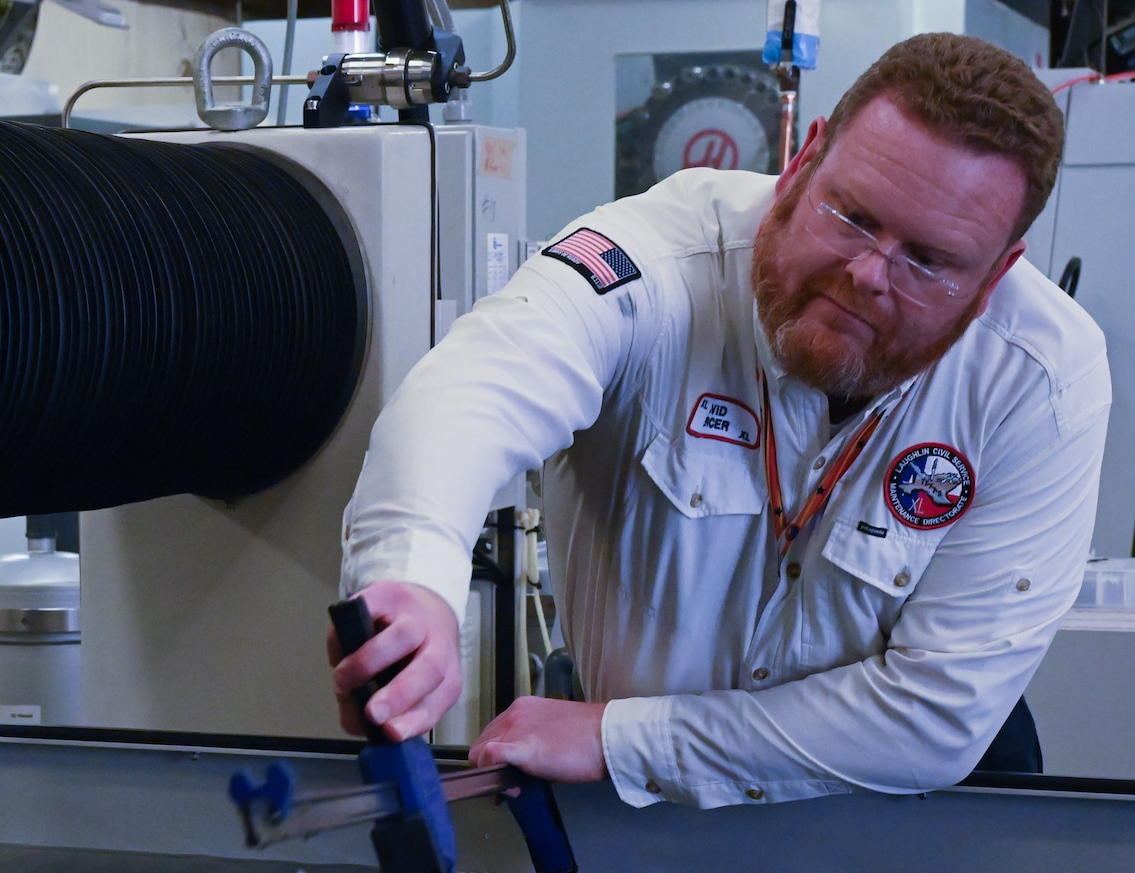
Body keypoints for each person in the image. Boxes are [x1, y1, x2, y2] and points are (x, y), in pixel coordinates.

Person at [332, 34, 1110, 808]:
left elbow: (935, 716)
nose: (868, 275)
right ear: (803, 163)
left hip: (915, 824)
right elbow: (475, 389)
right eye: (852, 216)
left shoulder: (1039, 375)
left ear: (996, 275)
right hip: (646, 815)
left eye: (929, 262)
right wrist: (413, 579)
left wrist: (622, 739)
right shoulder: (657, 264)